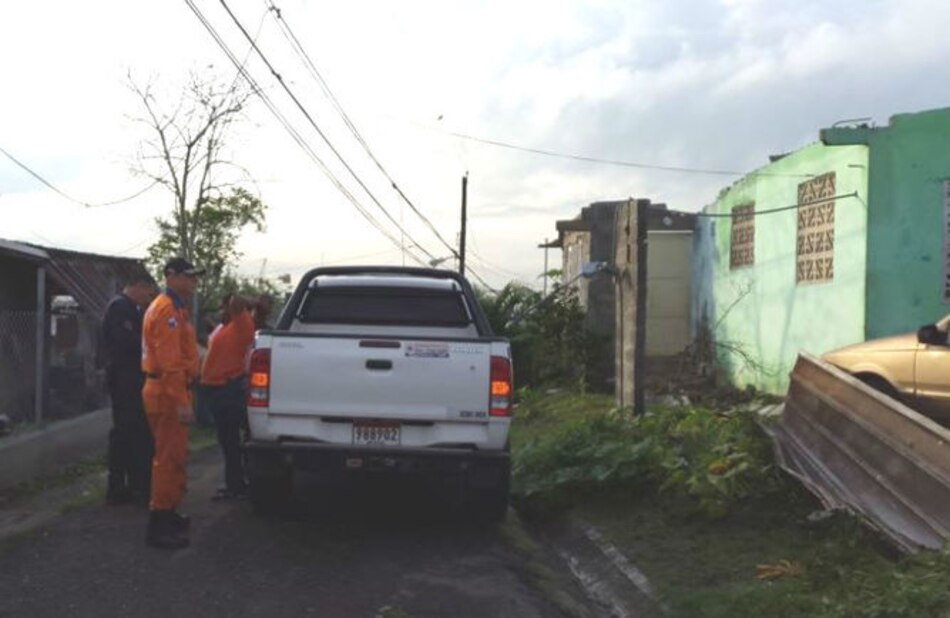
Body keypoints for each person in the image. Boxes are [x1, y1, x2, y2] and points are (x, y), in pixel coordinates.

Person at [141, 257, 203, 550]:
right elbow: (170, 363)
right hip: (167, 392)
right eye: (188, 276)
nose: (193, 281)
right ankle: (159, 523)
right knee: (167, 460)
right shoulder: (167, 310)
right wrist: (181, 402)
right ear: (171, 276)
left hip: (170, 390)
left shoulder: (175, 308)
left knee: (175, 457)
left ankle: (170, 511)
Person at [102, 274, 156, 505]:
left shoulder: (132, 309)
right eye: (146, 291)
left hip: (131, 379)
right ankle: (119, 486)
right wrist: (151, 345)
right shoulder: (120, 308)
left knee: (134, 432)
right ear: (136, 286)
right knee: (126, 432)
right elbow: (126, 341)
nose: (148, 297)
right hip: (124, 379)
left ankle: (133, 483)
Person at [200, 292, 256, 500]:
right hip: (216, 388)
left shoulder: (242, 323)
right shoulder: (226, 327)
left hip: (227, 388)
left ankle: (236, 485)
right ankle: (235, 483)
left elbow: (238, 302)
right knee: (227, 440)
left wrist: (248, 301)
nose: (220, 311)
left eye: (223, 307)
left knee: (230, 440)